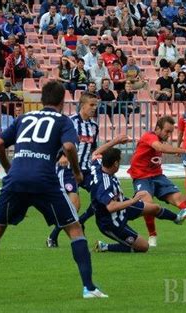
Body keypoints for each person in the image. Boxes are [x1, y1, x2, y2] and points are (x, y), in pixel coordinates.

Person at [0, 81, 108, 300]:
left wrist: (8, 169)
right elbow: (69, 147)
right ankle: (88, 288)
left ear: (42, 99)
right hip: (44, 180)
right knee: (75, 229)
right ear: (62, 101)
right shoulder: (63, 120)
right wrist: (77, 172)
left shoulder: (24, 118)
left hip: (16, 179)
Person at [47, 92, 130, 247]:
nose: (94, 108)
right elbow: (55, 142)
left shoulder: (94, 126)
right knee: (74, 206)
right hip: (69, 169)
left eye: (96, 105)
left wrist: (115, 142)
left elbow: (94, 151)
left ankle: (82, 221)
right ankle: (53, 236)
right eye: (91, 105)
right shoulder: (69, 122)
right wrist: (60, 156)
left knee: (101, 198)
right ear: (82, 105)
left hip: (86, 169)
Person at [128, 115, 186, 247]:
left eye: (170, 132)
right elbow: (160, 148)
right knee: (148, 204)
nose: (168, 135)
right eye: (167, 131)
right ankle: (152, 235)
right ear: (157, 128)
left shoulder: (161, 140)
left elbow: (163, 147)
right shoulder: (149, 136)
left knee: (179, 197)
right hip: (142, 177)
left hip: (158, 176)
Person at [92, 148, 186, 253]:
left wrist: (116, 140)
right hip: (111, 222)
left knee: (154, 208)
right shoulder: (104, 184)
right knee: (143, 247)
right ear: (115, 163)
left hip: (122, 206)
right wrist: (132, 201)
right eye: (119, 161)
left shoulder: (98, 165)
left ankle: (177, 218)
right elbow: (111, 207)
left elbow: (95, 153)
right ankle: (104, 246)